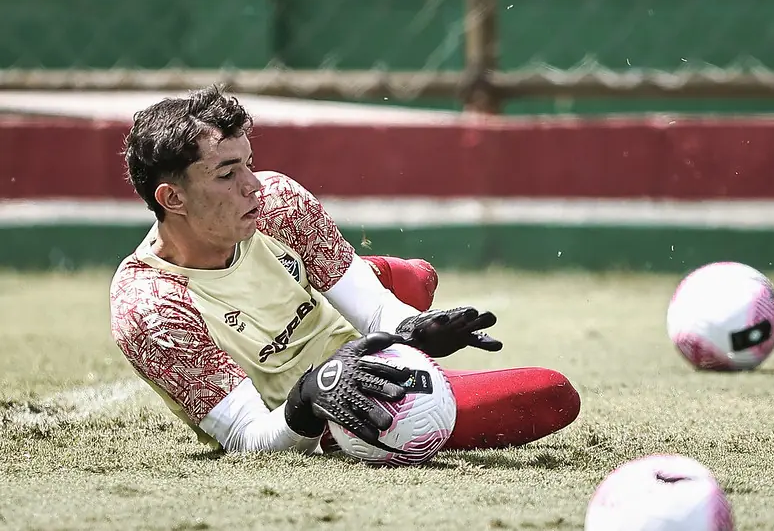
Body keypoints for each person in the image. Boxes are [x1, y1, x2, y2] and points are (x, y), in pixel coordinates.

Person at [109, 85, 580, 456]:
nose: (253, 185)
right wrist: (309, 396)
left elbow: (375, 311)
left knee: (414, 280)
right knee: (551, 394)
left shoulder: (277, 202)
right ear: (173, 198)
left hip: (354, 345)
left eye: (249, 164)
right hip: (319, 413)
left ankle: (382, 289)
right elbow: (247, 437)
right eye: (228, 174)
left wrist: (409, 329)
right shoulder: (149, 307)